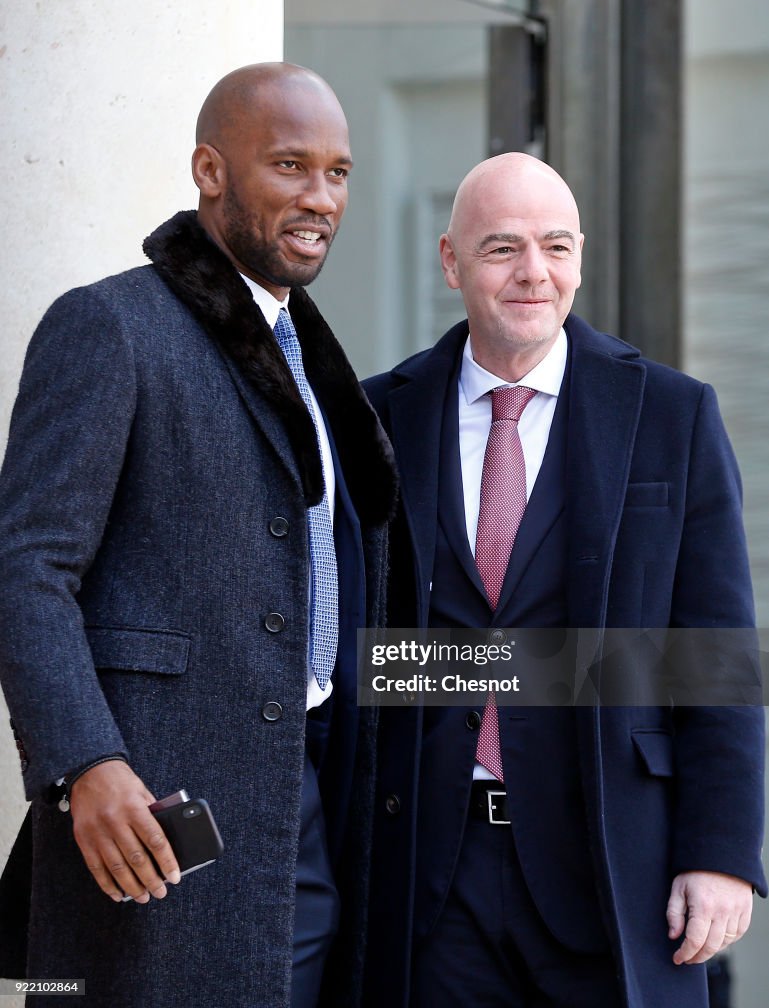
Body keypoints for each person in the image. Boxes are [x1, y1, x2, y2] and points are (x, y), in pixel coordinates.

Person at [0, 62, 396, 1008]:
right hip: (148, 818)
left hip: (302, 807)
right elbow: (27, 567)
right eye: (290, 166)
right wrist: (86, 765)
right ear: (210, 170)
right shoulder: (108, 325)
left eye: (338, 173)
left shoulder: (317, 367)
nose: (319, 199)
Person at [362, 152, 765, 1007]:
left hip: (617, 863)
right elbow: (362, 657)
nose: (532, 273)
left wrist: (722, 851)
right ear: (450, 260)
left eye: (554, 246)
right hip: (430, 876)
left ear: (580, 256)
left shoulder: (670, 414)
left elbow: (712, 655)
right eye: (501, 247)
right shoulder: (376, 419)